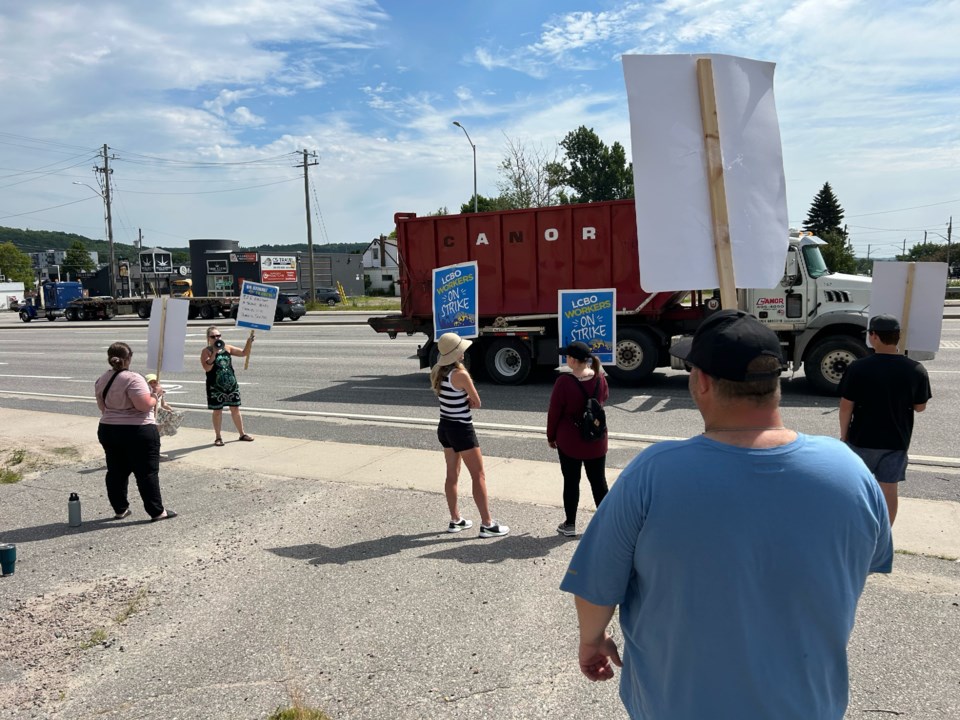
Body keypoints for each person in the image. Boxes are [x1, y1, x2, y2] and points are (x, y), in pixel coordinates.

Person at [560, 310, 892, 720]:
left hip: (677, 705)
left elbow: (596, 589)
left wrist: (591, 641)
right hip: (809, 705)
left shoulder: (653, 472)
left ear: (701, 381)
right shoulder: (849, 470)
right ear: (775, 383)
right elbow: (863, 563)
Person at [839, 313, 932, 525]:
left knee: (857, 486)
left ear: (874, 336)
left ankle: (856, 528)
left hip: (861, 438)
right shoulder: (915, 369)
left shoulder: (858, 368)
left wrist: (844, 435)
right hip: (896, 441)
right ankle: (885, 532)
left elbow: (846, 407)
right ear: (897, 337)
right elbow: (920, 407)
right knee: (889, 488)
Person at [430, 332, 509, 538]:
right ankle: (487, 524)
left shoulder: (438, 371)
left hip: (445, 426)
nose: (464, 353)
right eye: (461, 350)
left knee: (452, 475)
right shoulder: (461, 375)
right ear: (456, 354)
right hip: (462, 429)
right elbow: (477, 402)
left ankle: (455, 520)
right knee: (478, 475)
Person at [94, 342, 176, 521]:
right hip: (137, 430)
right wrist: (156, 395)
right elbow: (143, 406)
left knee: (116, 471)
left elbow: (102, 407)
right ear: (128, 358)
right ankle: (156, 511)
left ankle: (120, 509)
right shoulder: (133, 378)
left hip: (109, 428)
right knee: (146, 472)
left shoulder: (101, 379)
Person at [546, 341, 609, 537]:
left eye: (567, 357)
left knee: (571, 481)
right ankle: (608, 523)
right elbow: (603, 399)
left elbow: (554, 412)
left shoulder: (564, 382)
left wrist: (551, 435)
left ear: (572, 360)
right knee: (598, 482)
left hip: (570, 440)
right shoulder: (600, 378)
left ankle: (570, 524)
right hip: (596, 439)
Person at [201, 326, 254, 446]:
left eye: (218, 336)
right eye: (213, 336)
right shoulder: (206, 351)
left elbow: (244, 353)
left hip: (230, 384)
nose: (216, 338)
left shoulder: (227, 347)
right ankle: (218, 437)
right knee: (217, 410)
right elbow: (207, 368)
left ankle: (242, 433)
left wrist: (248, 342)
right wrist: (214, 353)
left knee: (235, 408)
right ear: (208, 338)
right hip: (215, 386)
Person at [145, 373, 182, 438]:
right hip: (150, 414)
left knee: (158, 430)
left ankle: (156, 439)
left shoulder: (160, 392)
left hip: (159, 413)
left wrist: (170, 409)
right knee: (152, 431)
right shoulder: (146, 393)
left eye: (155, 382)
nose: (153, 384)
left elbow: (163, 404)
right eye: (150, 383)